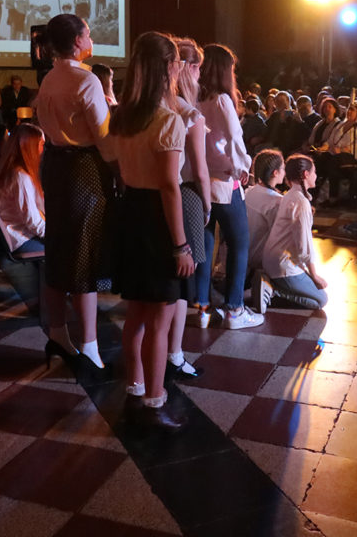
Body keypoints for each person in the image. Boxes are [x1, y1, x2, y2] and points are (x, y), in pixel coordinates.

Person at [113, 32, 193, 430]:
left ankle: (135, 389)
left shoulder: (123, 117)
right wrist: (180, 245)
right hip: (156, 218)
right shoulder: (167, 121)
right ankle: (154, 402)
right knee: (160, 319)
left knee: (136, 314)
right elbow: (169, 187)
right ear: (170, 67)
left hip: (131, 213)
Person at [34, 14, 115, 370]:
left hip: (55, 165)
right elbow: (105, 140)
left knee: (57, 248)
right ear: (78, 41)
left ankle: (57, 333)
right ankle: (90, 346)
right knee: (85, 254)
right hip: (84, 169)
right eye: (89, 33)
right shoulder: (86, 80)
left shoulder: (49, 77)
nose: (92, 38)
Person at [195, 44, 261, 329]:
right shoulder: (222, 100)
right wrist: (244, 167)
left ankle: (201, 308)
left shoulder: (194, 97)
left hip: (199, 180)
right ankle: (234, 308)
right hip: (223, 180)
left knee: (205, 244)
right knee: (239, 242)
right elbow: (235, 138)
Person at [166, 38, 210, 375]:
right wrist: (207, 204)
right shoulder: (188, 112)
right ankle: (175, 353)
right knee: (182, 281)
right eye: (198, 68)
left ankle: (154, 357)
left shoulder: (154, 103)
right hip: (185, 193)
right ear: (189, 68)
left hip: (150, 196)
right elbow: (200, 167)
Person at [261, 154, 328, 310]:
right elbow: (304, 246)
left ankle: (272, 286)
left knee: (314, 294)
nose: (316, 176)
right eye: (314, 172)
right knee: (321, 300)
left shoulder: (290, 195)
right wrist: (314, 275)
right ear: (306, 174)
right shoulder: (300, 202)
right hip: (283, 265)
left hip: (272, 260)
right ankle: (272, 292)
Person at [0, 124, 46, 252]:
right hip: (20, 239)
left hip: (13, 236)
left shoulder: (12, 170)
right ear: (30, 147)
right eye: (42, 144)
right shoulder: (21, 177)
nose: (44, 149)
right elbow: (32, 221)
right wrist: (56, 236)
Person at [244, 149, 285, 311]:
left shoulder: (249, 191)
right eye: (283, 168)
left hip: (245, 253)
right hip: (261, 258)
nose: (284, 173)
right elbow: (280, 238)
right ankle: (270, 289)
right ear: (275, 173)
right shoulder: (276, 201)